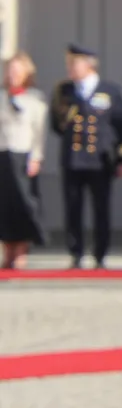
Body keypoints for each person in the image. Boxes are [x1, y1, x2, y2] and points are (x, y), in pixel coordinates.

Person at [49, 44, 122, 269]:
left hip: (99, 159)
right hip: (74, 158)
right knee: (73, 207)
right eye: (69, 65)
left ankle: (101, 253)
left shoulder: (109, 91)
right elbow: (56, 125)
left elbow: (121, 126)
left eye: (74, 64)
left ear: (89, 65)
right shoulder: (64, 91)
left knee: (101, 208)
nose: (70, 70)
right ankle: (76, 252)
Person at [0, 52, 48, 268]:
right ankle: (7, 250)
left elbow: (39, 132)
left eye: (18, 71)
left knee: (24, 205)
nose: (13, 74)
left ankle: (21, 251)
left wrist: (36, 157)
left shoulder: (34, 99)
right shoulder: (1, 96)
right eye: (10, 70)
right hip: (2, 154)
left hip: (23, 156)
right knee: (4, 206)